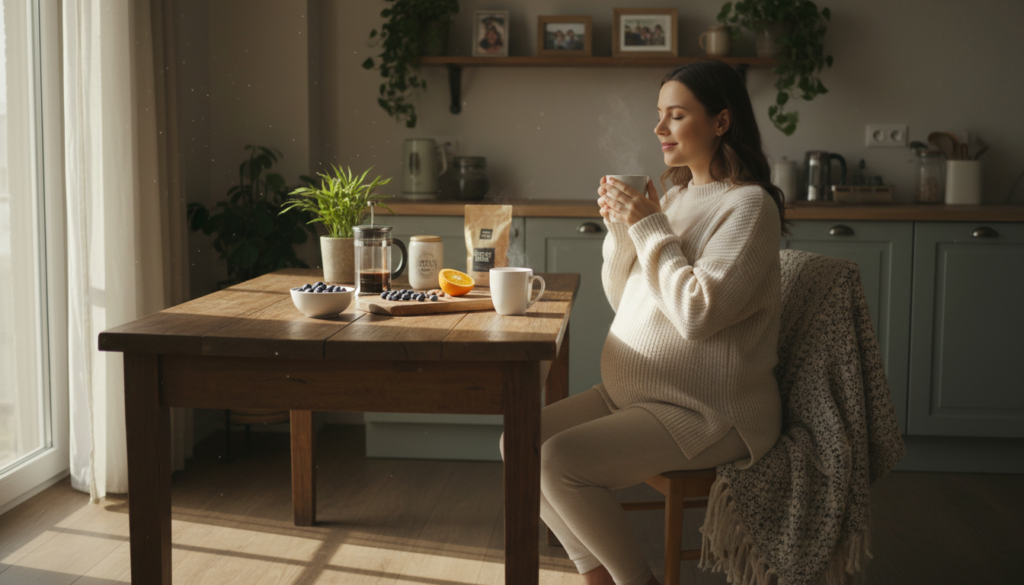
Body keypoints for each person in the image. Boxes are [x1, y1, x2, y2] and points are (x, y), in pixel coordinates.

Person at [500, 60, 788, 585]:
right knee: (516, 442)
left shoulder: (749, 208)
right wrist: (622, 232)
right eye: (659, 115)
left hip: (706, 408)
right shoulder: (675, 199)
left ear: (722, 122)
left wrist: (650, 227)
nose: (658, 130)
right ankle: (597, 575)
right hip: (635, 393)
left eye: (675, 116)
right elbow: (625, 299)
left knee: (559, 460)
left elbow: (697, 314)